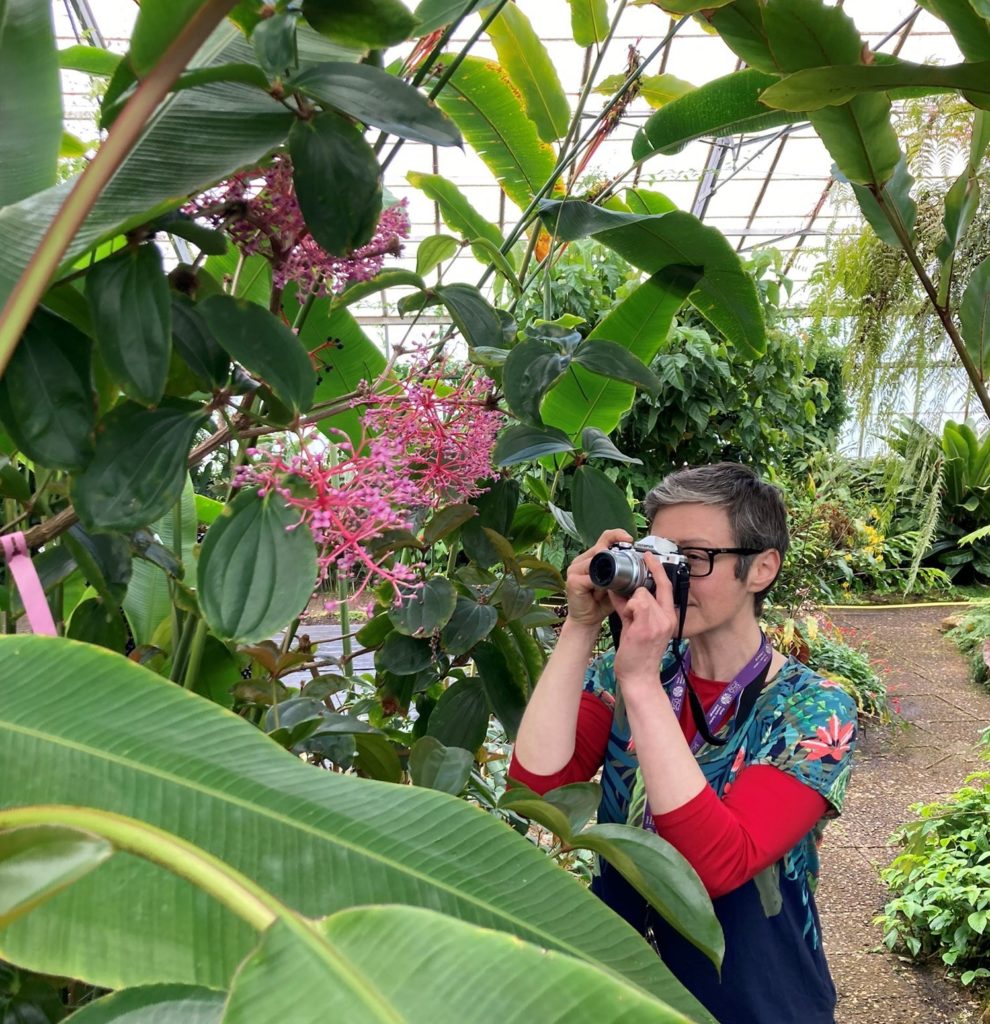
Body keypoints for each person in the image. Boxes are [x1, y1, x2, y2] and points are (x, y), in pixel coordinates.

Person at [509, 463, 857, 1024]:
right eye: (657, 556)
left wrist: (642, 683)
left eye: (692, 559)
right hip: (621, 989)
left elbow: (719, 864)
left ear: (761, 568)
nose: (667, 579)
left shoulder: (814, 709)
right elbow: (537, 791)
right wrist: (581, 624)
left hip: (755, 999)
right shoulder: (622, 674)